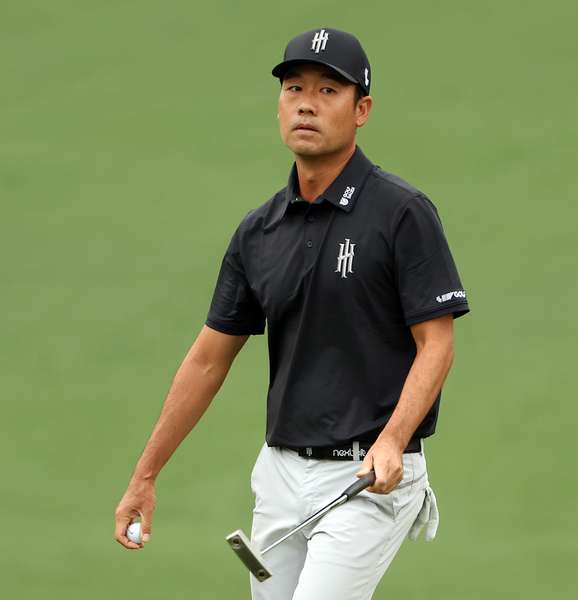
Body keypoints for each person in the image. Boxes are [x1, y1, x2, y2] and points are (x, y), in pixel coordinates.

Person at [113, 27, 470, 599]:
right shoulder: (259, 231)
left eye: (329, 90)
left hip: (367, 477)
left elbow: (437, 344)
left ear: (362, 110)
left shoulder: (401, 213)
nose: (306, 102)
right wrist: (146, 474)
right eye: (294, 88)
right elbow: (208, 360)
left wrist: (392, 438)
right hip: (280, 475)